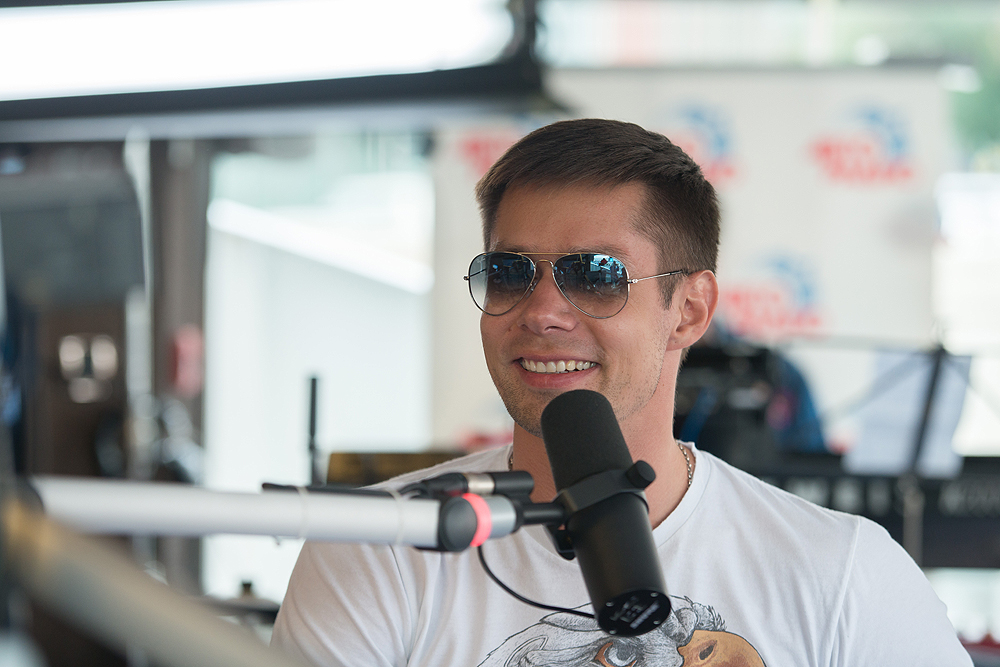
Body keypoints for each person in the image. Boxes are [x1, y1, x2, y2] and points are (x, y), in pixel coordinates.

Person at [271, 119, 971, 666]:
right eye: (510, 272)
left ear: (689, 311)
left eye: (595, 275)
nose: (543, 312)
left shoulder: (843, 570)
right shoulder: (377, 549)